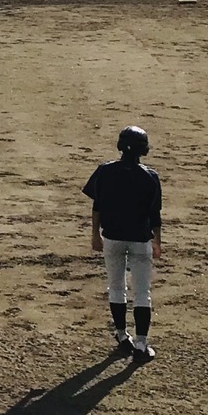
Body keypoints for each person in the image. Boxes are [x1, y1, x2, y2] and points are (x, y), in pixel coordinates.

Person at [83, 125, 163, 360]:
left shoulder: (105, 171)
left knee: (116, 286)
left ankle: (121, 335)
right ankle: (141, 344)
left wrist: (95, 234)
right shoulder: (150, 176)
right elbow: (155, 215)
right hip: (140, 239)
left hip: (112, 237)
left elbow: (96, 206)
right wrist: (157, 241)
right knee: (142, 292)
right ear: (144, 150)